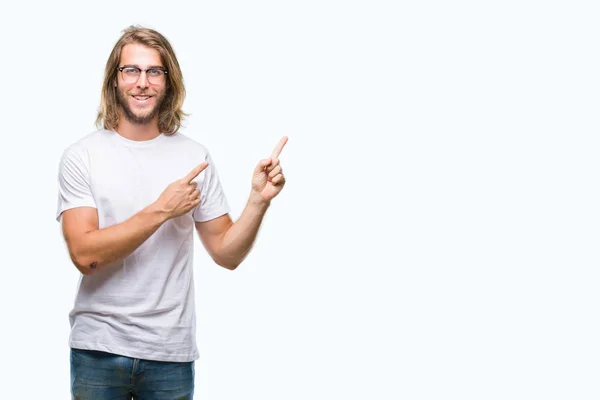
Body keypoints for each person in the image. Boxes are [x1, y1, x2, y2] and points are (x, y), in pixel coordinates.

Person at [55, 25, 287, 400]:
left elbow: (226, 254)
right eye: (131, 70)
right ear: (115, 80)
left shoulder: (193, 156)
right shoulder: (83, 156)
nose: (142, 82)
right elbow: (85, 254)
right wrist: (162, 210)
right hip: (99, 348)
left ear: (168, 81)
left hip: (170, 354)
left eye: (154, 71)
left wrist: (259, 201)